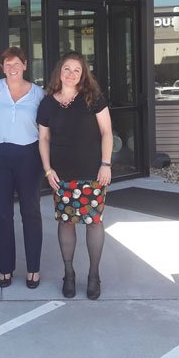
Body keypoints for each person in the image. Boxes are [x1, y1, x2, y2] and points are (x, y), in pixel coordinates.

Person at [37, 52, 113, 300]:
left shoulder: (93, 98)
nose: (71, 74)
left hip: (92, 172)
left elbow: (107, 132)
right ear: (59, 72)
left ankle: (94, 275)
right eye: (67, 69)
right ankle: (68, 274)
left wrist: (106, 164)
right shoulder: (47, 103)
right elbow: (43, 138)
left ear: (83, 75)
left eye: (76, 70)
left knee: (94, 222)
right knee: (66, 222)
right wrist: (48, 169)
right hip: (61, 174)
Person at [0, 47, 45, 289]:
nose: (12, 68)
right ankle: (5, 268)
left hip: (29, 155)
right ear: (2, 67)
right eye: (7, 64)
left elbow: (44, 128)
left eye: (16, 63)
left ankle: (33, 269)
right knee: (2, 213)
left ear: (25, 65)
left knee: (31, 212)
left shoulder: (38, 94)